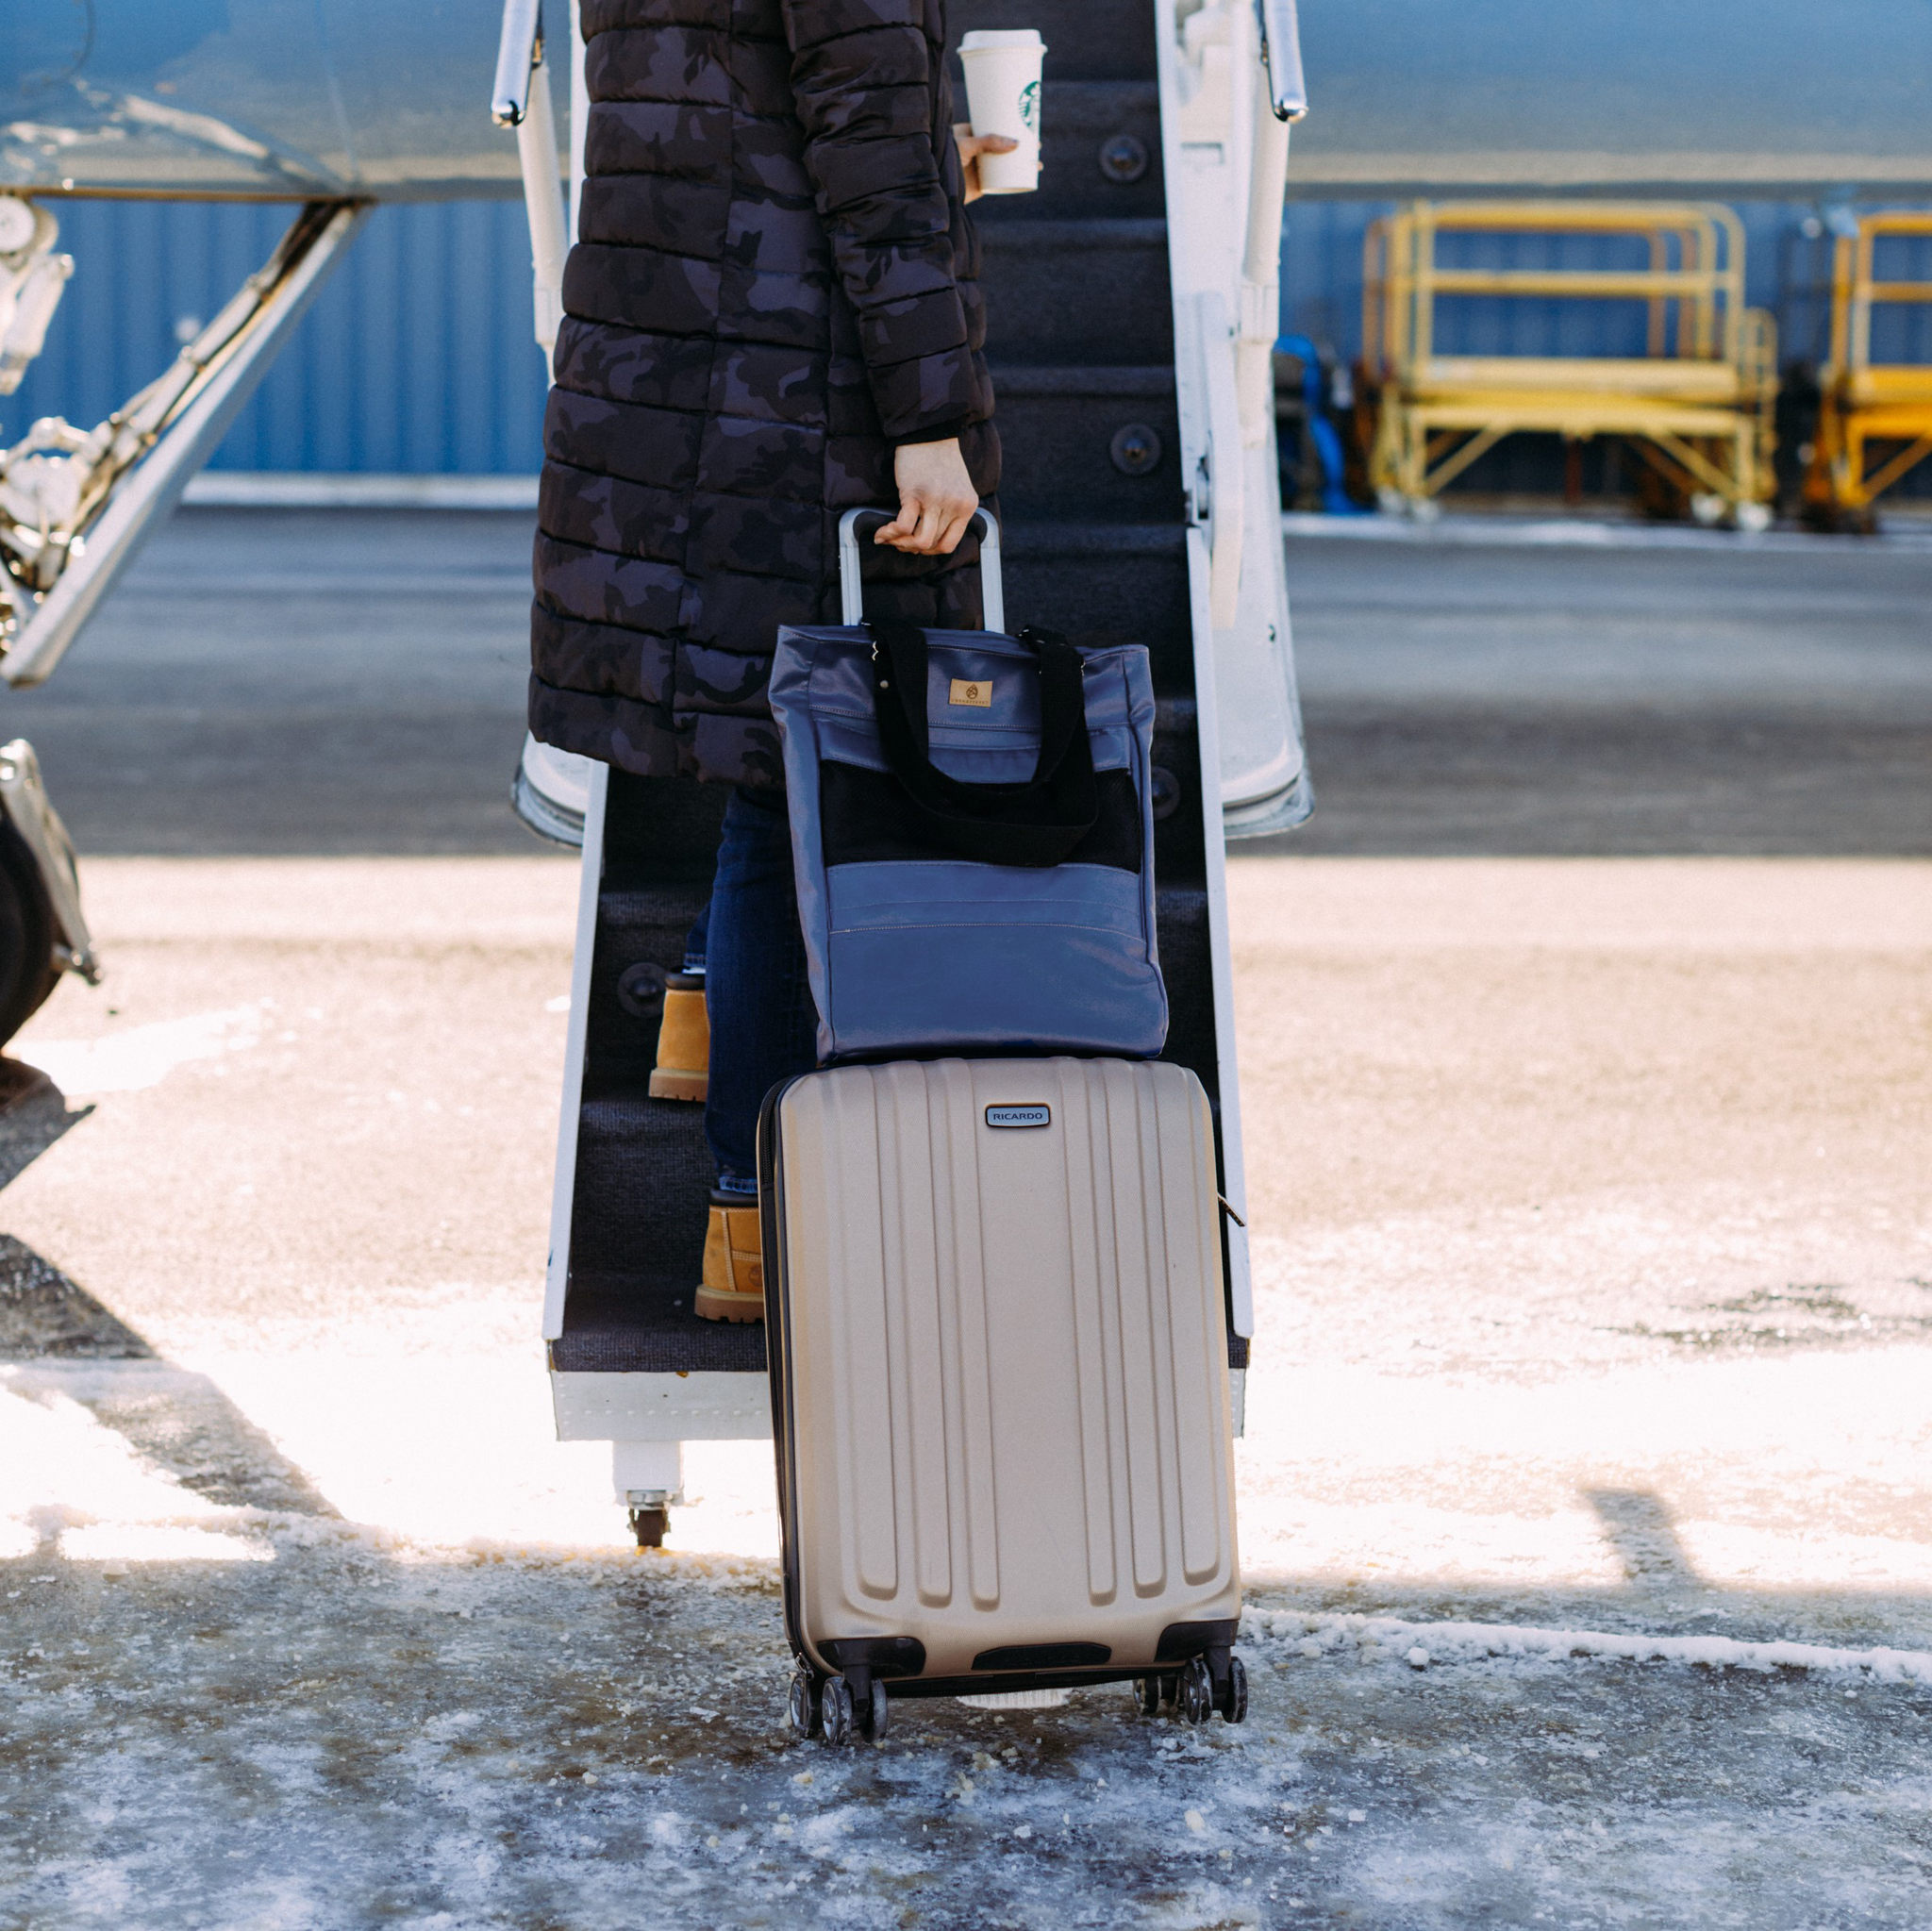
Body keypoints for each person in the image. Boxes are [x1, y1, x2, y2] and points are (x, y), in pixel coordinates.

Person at [526, 1, 1016, 1321]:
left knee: (766, 747)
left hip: (683, 353)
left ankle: (699, 1008)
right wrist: (933, 416)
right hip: (785, 385)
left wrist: (921, 138)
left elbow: (744, 102)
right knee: (799, 772)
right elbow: (858, 143)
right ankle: (755, 1214)